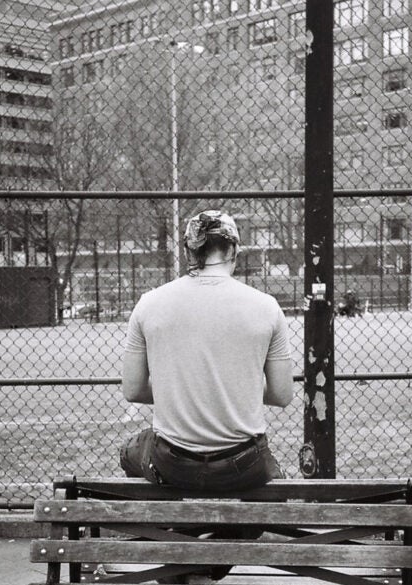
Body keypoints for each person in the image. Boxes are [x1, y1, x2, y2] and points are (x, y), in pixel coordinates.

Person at [120, 209, 294, 493]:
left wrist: (185, 387)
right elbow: (282, 394)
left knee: (130, 449)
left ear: (189, 252)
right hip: (244, 464)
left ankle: (168, 524)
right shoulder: (266, 307)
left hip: (173, 463)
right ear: (233, 250)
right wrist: (234, 386)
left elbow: (132, 389)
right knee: (264, 477)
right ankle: (228, 528)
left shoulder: (149, 304)